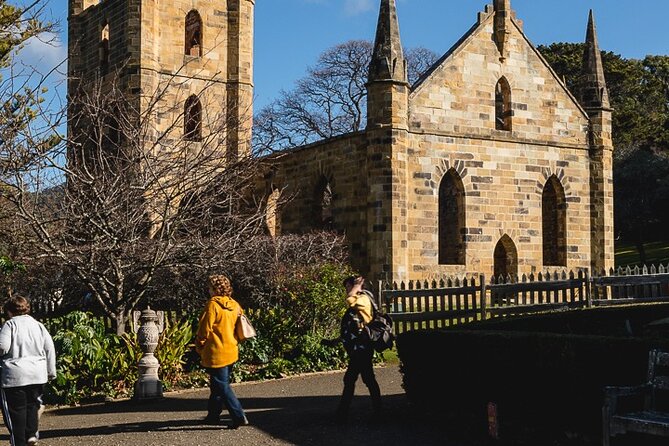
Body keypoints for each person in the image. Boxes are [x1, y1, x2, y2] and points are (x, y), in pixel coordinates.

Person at [0, 296, 56, 446]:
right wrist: (51, 371)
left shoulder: (9, 325)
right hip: (37, 374)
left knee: (15, 412)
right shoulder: (38, 325)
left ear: (10, 311)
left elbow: (3, 347)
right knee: (33, 405)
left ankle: (19, 443)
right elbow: (49, 348)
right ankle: (31, 433)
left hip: (15, 375)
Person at [196, 274, 249, 429]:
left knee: (222, 386)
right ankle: (213, 415)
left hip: (216, 351)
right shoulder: (235, 305)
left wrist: (199, 345)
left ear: (213, 289)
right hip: (231, 349)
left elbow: (204, 329)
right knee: (217, 385)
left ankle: (238, 415)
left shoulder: (213, 305)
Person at [335, 275, 382, 422]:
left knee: (362, 379)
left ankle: (344, 413)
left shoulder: (362, 298)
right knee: (357, 379)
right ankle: (344, 412)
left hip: (362, 346)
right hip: (358, 347)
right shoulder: (360, 298)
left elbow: (349, 300)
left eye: (348, 286)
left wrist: (355, 287)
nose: (347, 290)